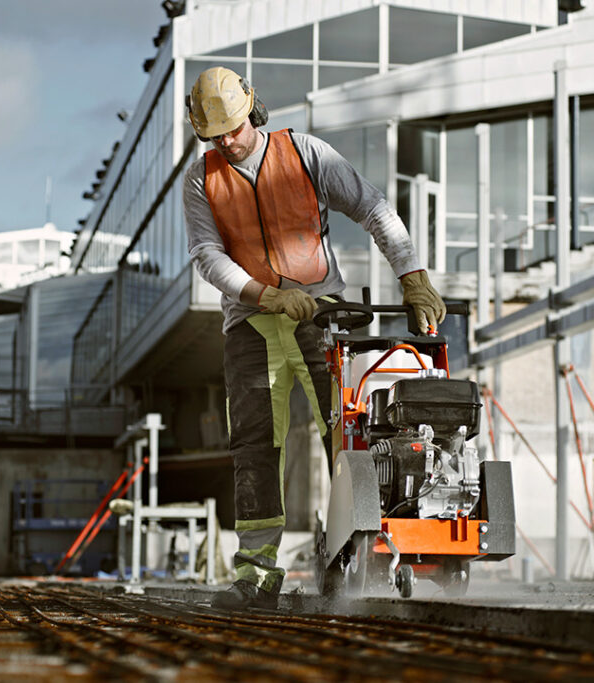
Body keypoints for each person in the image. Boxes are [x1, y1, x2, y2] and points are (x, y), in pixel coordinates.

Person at [182, 66, 445, 610]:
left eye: (233, 128)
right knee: (254, 446)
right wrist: (264, 294)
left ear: (252, 108)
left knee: (347, 435)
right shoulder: (199, 180)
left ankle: (357, 557)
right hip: (249, 325)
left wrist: (412, 275)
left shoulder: (306, 154)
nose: (227, 142)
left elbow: (372, 207)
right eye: (215, 135)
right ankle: (257, 576)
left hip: (321, 316)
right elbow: (207, 256)